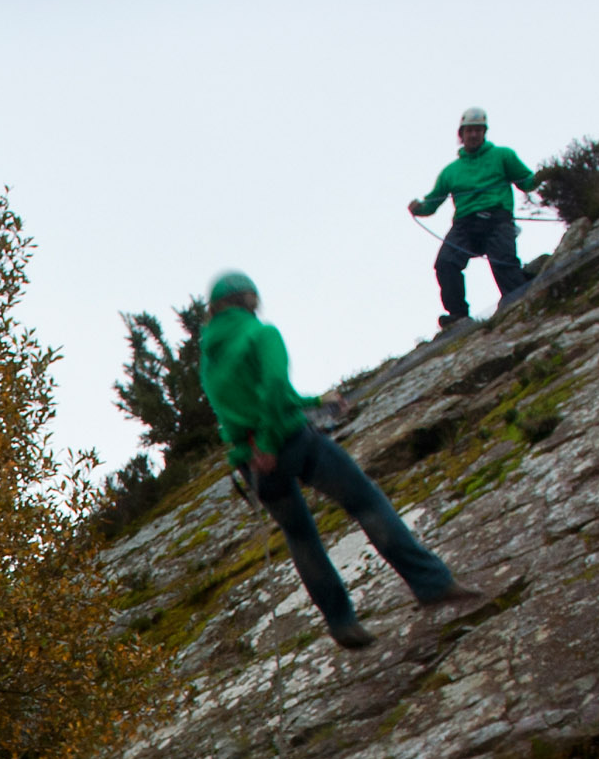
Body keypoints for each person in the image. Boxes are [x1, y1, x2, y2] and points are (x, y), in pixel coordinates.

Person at [196, 270, 483, 651]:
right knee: (364, 501)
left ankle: (341, 622)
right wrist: (269, 439)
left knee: (300, 537)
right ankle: (431, 583)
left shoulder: (209, 357)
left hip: (252, 464)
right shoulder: (262, 334)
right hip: (290, 441)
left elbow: (243, 403)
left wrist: (313, 405)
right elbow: (275, 387)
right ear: (250, 298)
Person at [409, 107, 541, 327]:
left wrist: (543, 178)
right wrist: (418, 208)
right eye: (469, 131)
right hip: (465, 224)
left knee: (504, 263)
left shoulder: (503, 155)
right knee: (445, 263)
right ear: (461, 135)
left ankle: (521, 302)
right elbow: (432, 203)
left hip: (497, 219)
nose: (473, 135)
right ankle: (458, 316)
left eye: (477, 130)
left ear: (484, 132)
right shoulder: (451, 172)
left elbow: (526, 181)